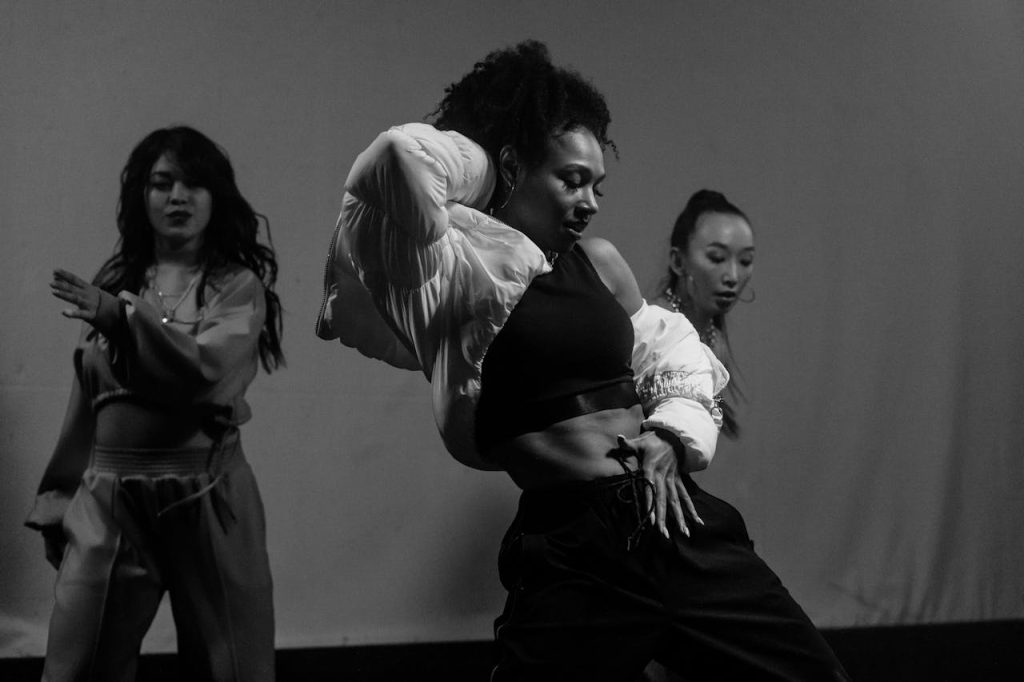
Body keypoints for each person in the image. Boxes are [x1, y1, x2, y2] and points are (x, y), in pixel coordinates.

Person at [316, 41, 848, 681]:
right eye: (570, 178)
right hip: (572, 552)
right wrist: (491, 159)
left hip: (669, 521)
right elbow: (401, 158)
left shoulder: (598, 262)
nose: (590, 200)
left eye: (597, 183)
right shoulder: (453, 274)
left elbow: (677, 354)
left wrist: (675, 435)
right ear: (511, 166)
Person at [26, 126, 283, 681]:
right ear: (141, 198)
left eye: (193, 184)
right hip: (111, 495)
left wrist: (122, 320)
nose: (178, 197)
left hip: (207, 491)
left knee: (231, 666)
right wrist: (60, 495)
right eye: (162, 183)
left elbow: (207, 374)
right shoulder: (117, 283)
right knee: (79, 661)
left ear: (217, 197)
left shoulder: (236, 288)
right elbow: (88, 399)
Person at [655, 189, 756, 438]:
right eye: (717, 257)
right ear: (678, 262)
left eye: (745, 261)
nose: (732, 276)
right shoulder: (655, 326)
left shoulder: (712, 336)